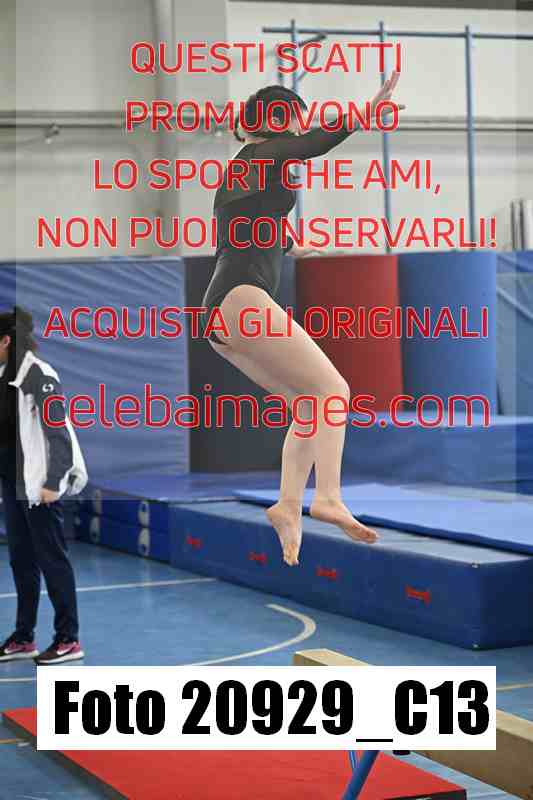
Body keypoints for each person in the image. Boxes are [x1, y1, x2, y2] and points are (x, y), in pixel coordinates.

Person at [202, 74, 402, 566]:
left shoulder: (246, 168)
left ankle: (288, 505)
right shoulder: (261, 154)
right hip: (241, 297)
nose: (299, 129)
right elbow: (314, 143)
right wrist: (367, 109)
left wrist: (293, 246)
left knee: (310, 405)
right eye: (295, 119)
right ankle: (328, 496)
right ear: (278, 120)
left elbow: (249, 231)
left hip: (224, 312)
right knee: (334, 391)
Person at [0, 306, 88, 664]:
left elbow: (59, 433)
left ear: (6, 342)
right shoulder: (4, 376)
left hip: (39, 487)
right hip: (12, 484)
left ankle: (68, 639)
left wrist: (53, 482)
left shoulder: (39, 375)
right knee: (21, 561)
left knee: (52, 560)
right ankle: (24, 637)